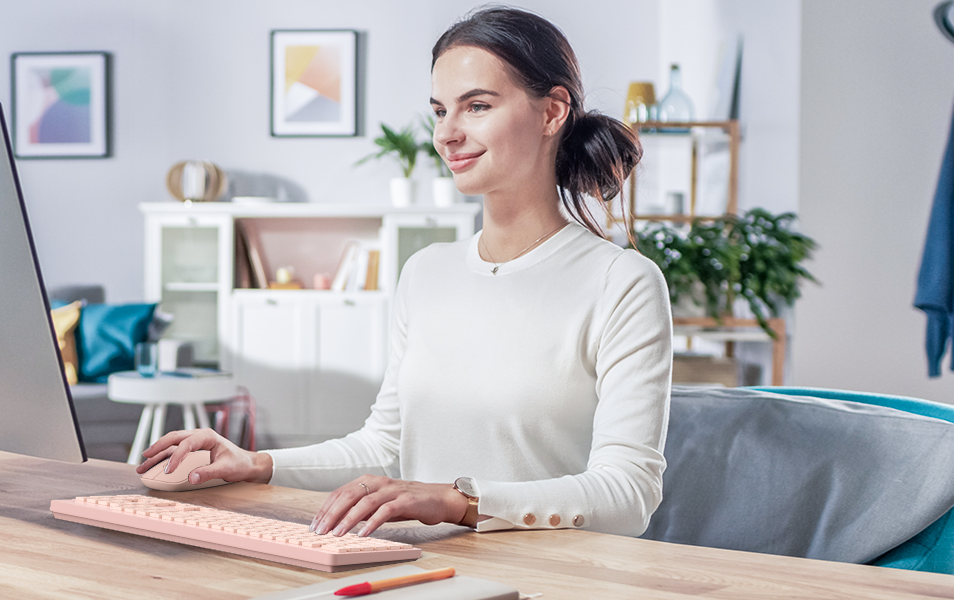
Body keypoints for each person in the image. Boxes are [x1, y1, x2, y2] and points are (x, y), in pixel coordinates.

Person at [138, 6, 671, 538]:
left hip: (544, 574)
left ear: (552, 112)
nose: (447, 134)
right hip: (415, 565)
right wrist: (256, 463)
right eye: (440, 111)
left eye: (477, 106)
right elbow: (386, 446)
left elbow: (628, 494)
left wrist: (458, 501)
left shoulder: (621, 283)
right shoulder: (426, 272)